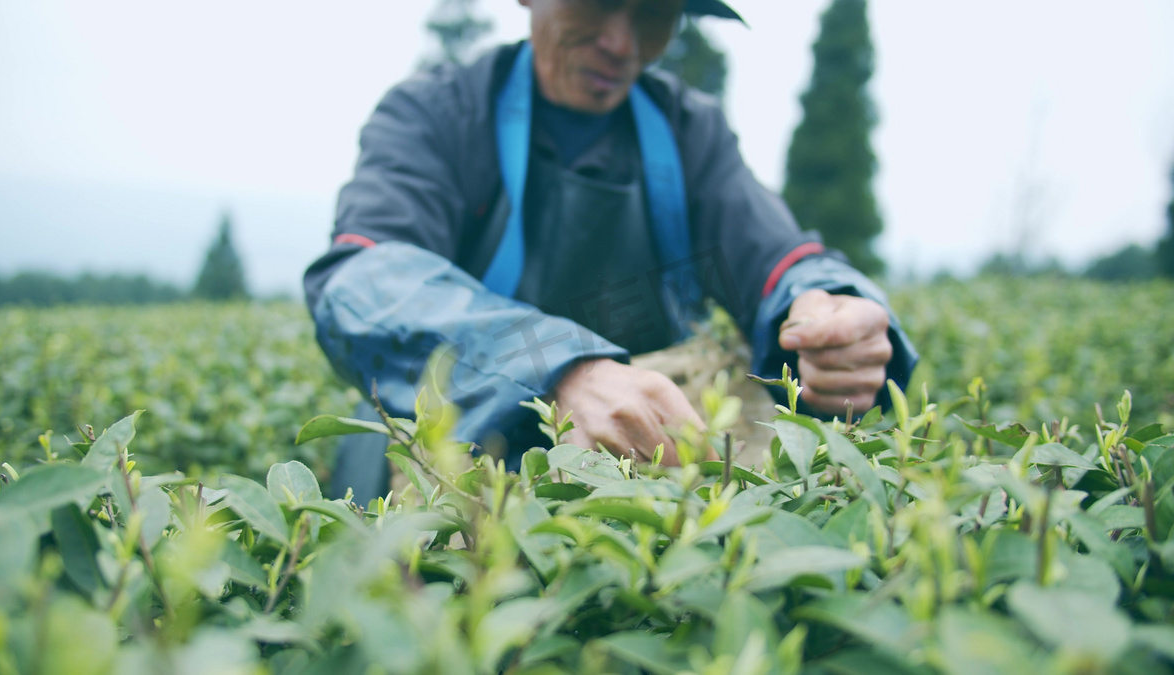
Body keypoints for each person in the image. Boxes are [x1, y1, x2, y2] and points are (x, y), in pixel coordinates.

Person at [305, 0, 917, 503]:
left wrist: (828, 307)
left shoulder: (686, 130)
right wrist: (556, 368)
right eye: (599, 2)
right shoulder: (438, 116)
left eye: (654, 12)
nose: (623, 44)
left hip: (653, 445)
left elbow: (777, 256)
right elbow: (363, 279)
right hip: (473, 431)